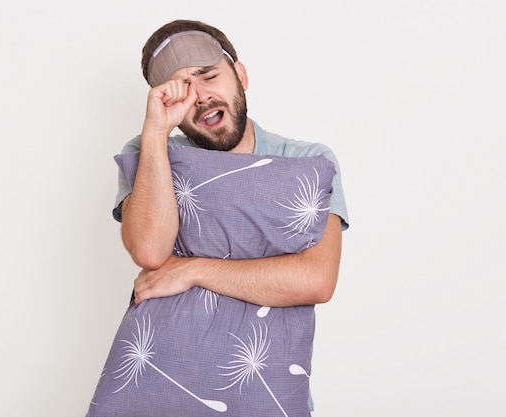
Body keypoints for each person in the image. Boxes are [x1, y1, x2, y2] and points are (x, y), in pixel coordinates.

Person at [113, 19, 349, 310]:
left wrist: (191, 270)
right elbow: (149, 252)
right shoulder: (148, 151)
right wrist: (156, 131)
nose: (200, 96)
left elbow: (317, 280)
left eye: (209, 76)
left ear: (241, 75)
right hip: (165, 352)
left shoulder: (309, 161)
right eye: (181, 88)